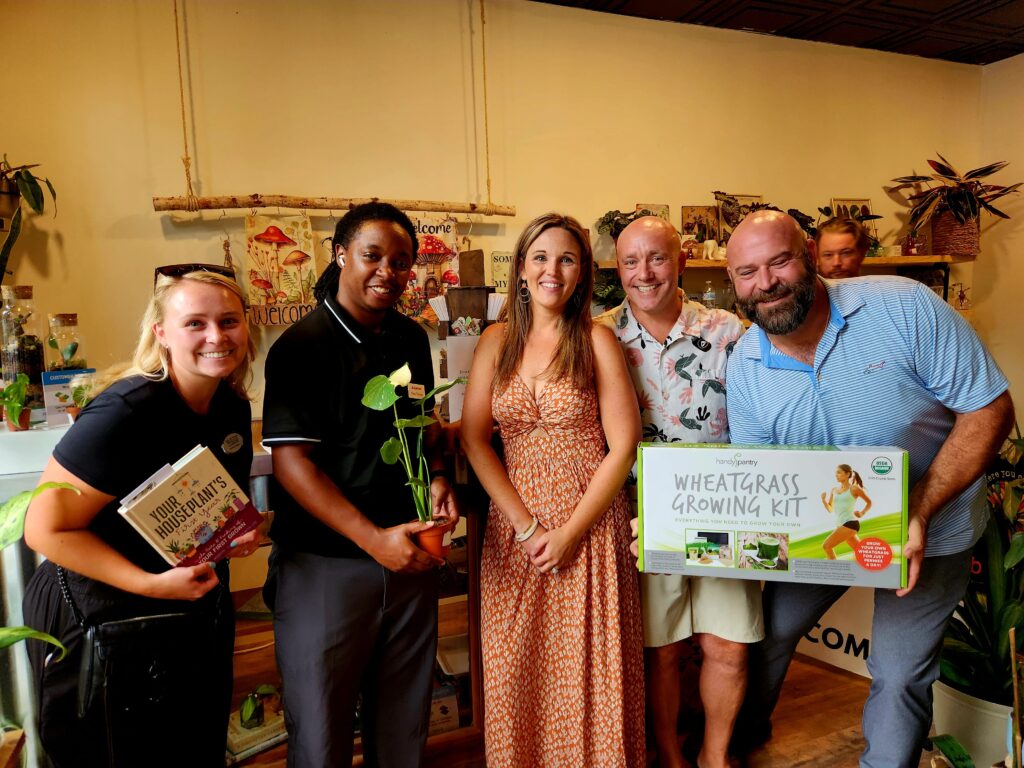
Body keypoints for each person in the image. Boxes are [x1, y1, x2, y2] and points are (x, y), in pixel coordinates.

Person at [725, 210, 1014, 768]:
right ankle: (740, 742)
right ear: (734, 281)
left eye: (779, 261)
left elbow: (989, 409)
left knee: (900, 674)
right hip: (826, 531)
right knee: (765, 635)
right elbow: (761, 474)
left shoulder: (903, 307)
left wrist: (922, 510)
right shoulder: (744, 365)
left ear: (808, 253)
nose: (765, 284)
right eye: (747, 272)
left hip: (931, 524)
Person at [22, 265, 262, 768]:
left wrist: (235, 534)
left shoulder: (232, 409)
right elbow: (43, 530)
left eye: (229, 321)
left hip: (187, 612)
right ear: (162, 333)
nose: (216, 336)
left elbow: (209, 507)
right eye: (194, 323)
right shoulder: (125, 412)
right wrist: (151, 585)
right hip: (99, 614)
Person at [261, 202, 458, 768]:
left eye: (401, 262)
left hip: (410, 556)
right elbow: (293, 466)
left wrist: (439, 476)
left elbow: (419, 427)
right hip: (327, 564)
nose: (387, 272)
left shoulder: (410, 340)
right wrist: (372, 540)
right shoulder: (302, 347)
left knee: (402, 724)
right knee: (321, 730)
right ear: (341, 253)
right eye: (373, 256)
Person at [460, 212, 644, 767]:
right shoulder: (495, 342)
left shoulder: (597, 340)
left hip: (587, 529)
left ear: (582, 273)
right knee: (519, 667)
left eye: (566, 259)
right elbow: (474, 440)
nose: (552, 270)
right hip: (515, 535)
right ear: (520, 269)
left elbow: (624, 446)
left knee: (590, 672)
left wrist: (566, 533)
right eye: (540, 257)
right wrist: (527, 526)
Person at [604, 216, 763, 768]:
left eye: (657, 259)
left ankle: (713, 757)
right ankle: (670, 755)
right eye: (631, 262)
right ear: (617, 269)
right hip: (638, 515)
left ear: (682, 263)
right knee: (661, 649)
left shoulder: (730, 332)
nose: (644, 273)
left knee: (728, 644)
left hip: (724, 508)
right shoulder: (600, 335)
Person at [821, 464, 872, 559]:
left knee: (826, 546)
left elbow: (869, 502)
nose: (836, 475)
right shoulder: (834, 490)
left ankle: (834, 572)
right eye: (836, 473)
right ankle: (876, 569)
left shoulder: (854, 489)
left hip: (850, 523)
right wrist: (823, 500)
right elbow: (830, 509)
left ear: (847, 474)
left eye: (839, 472)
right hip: (840, 525)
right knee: (861, 554)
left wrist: (862, 513)